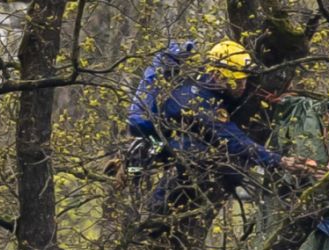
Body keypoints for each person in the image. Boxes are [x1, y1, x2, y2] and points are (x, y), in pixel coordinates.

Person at [124, 39, 314, 213]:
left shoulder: (214, 82)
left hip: (174, 136)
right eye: (237, 81)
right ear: (217, 75)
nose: (242, 85)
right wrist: (277, 160)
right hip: (160, 144)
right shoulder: (200, 104)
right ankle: (156, 208)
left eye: (243, 79)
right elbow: (233, 140)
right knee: (198, 153)